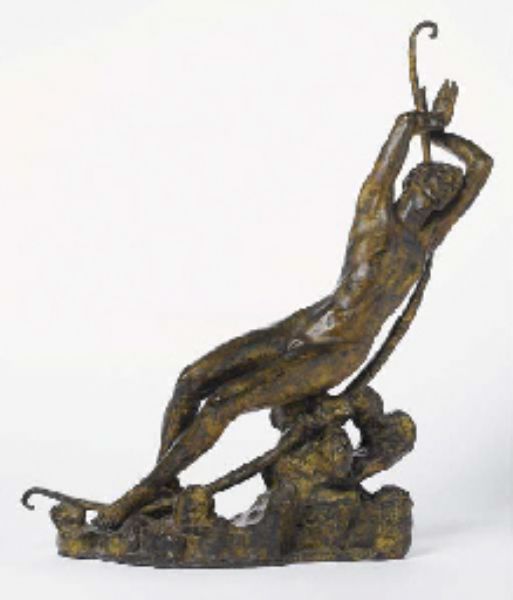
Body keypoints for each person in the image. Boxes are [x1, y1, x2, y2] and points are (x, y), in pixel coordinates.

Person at [94, 81, 492, 529]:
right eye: (433, 179)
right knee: (191, 379)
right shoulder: (374, 212)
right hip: (301, 327)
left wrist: (438, 133)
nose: (439, 188)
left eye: (445, 187)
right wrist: (430, 125)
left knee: (223, 404)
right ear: (409, 182)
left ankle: (139, 494)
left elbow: (481, 165)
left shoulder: (425, 241)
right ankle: (165, 485)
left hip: (338, 351)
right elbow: (401, 131)